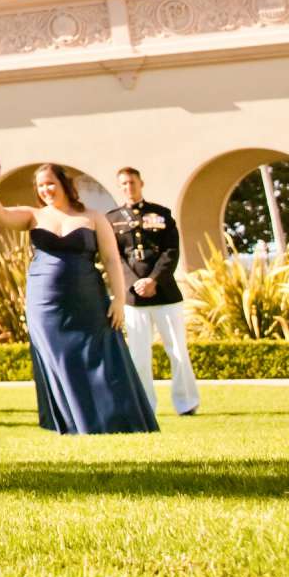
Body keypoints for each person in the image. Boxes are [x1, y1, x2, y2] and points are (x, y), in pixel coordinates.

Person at [0, 162, 157, 436]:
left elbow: (111, 259)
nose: (46, 190)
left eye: (50, 183)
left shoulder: (94, 217)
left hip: (87, 297)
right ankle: (72, 423)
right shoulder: (33, 215)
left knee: (100, 355)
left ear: (64, 184)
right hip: (45, 302)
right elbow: (0, 215)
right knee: (60, 359)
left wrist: (119, 299)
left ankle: (114, 420)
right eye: (40, 186)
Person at [109, 166, 198, 418]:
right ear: (120, 187)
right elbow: (114, 257)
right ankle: (145, 405)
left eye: (132, 182)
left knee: (178, 351)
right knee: (139, 356)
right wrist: (135, 283)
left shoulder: (161, 214)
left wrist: (153, 280)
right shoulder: (112, 219)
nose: (129, 187)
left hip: (165, 294)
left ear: (141, 183)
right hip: (133, 297)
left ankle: (186, 403)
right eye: (124, 184)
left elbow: (171, 251)